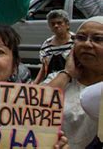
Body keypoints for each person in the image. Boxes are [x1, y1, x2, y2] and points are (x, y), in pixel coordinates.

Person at [45, 16, 103, 148]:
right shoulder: (58, 79)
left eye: (98, 39)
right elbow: (32, 108)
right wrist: (67, 73)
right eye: (81, 38)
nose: (87, 44)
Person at [34, 9, 74, 84]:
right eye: (53, 24)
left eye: (59, 23)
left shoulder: (76, 42)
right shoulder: (47, 45)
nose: (56, 26)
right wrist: (35, 83)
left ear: (67, 25)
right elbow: (44, 68)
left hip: (73, 84)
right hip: (51, 84)